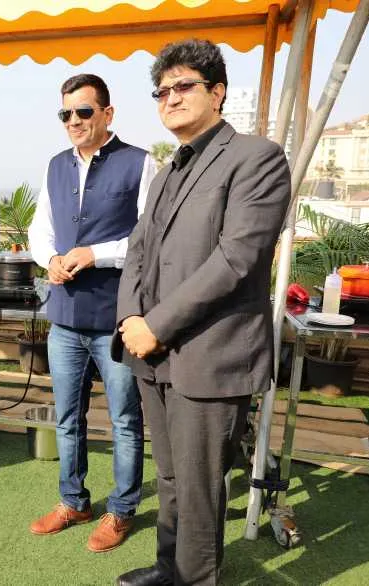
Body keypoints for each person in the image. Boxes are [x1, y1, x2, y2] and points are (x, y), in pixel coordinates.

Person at [113, 39, 291, 586]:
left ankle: (196, 578)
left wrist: (157, 325)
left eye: (183, 86)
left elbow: (237, 259)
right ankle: (172, 569)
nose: (170, 98)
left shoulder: (256, 157)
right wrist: (129, 322)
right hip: (154, 352)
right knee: (169, 477)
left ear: (218, 92)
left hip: (210, 353)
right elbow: (138, 250)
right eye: (161, 91)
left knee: (199, 485)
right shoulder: (167, 171)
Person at [27, 74, 154, 553]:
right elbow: (42, 229)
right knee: (67, 417)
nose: (74, 121)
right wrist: (51, 259)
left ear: (107, 113)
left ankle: (121, 511)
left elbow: (150, 239)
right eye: (66, 114)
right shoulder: (55, 166)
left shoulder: (140, 163)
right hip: (63, 317)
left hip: (117, 318)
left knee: (124, 419)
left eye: (83, 112)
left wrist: (95, 254)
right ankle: (73, 501)